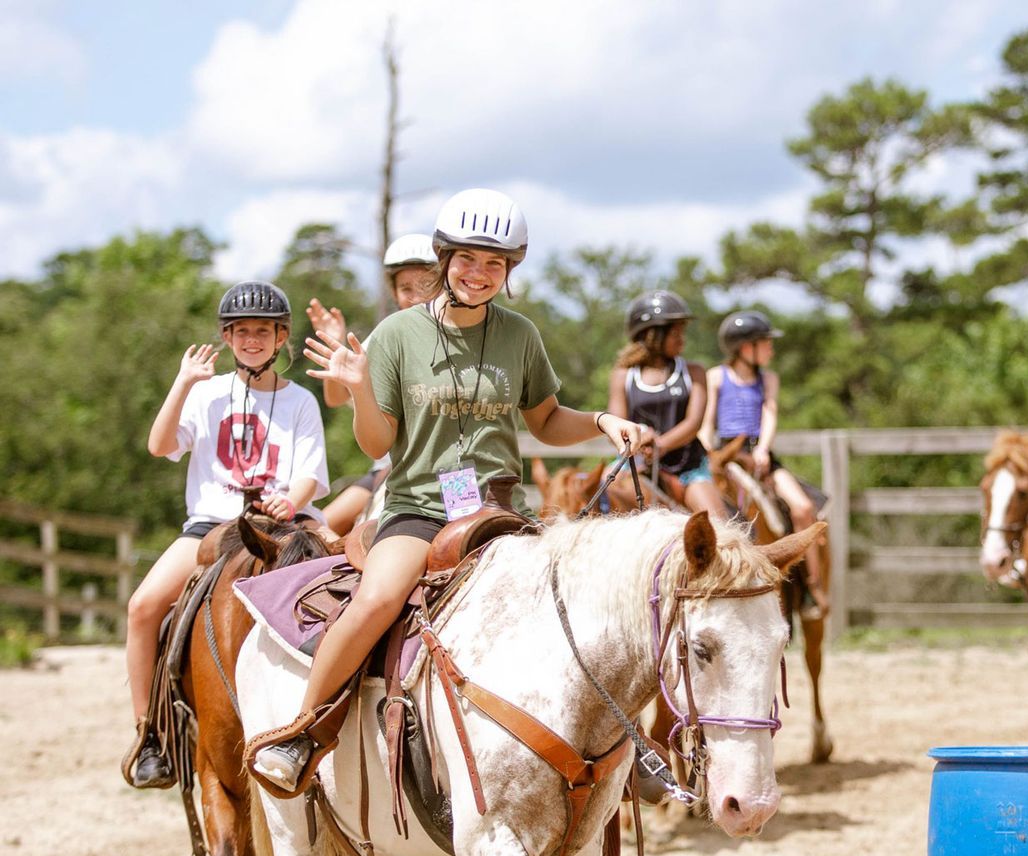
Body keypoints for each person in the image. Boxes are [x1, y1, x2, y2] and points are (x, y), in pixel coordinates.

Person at [248, 189, 652, 794]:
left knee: (576, 605)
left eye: (496, 264)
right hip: (417, 507)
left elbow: (544, 420)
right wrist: (359, 389)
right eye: (468, 259)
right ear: (443, 258)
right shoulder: (395, 335)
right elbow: (377, 443)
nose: (480, 274)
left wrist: (600, 423)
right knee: (379, 598)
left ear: (511, 270)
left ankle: (622, 740)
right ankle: (305, 731)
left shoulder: (519, 335)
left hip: (498, 510)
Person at [126, 282, 330, 787]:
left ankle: (332, 715)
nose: (253, 340)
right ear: (227, 337)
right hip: (211, 524)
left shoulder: (301, 401)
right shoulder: (205, 393)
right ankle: (150, 733)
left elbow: (310, 473)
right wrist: (183, 381)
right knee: (142, 607)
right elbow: (159, 445)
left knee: (348, 581)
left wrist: (294, 499)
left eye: (264, 331)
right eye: (242, 332)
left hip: (281, 525)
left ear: (281, 337)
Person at [701, 309, 827, 615]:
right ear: (746, 347)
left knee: (803, 507)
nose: (771, 348)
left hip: (760, 455)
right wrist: (706, 450)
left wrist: (764, 449)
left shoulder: (768, 378)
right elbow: (707, 422)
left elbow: (769, 413)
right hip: (724, 455)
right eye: (765, 342)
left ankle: (813, 587)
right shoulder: (716, 377)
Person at [313, 233, 438, 536]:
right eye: (406, 288)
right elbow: (336, 398)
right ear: (394, 293)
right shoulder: (382, 338)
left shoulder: (455, 339)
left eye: (425, 286)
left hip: (441, 472)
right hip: (385, 471)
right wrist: (336, 352)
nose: (415, 296)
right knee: (317, 530)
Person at [608, 290, 727, 517]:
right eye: (676, 333)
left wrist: (660, 445)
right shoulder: (623, 375)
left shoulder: (694, 372)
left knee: (718, 525)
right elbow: (617, 421)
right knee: (596, 502)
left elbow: (694, 423)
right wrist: (641, 437)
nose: (682, 339)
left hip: (686, 468)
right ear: (653, 335)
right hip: (634, 463)